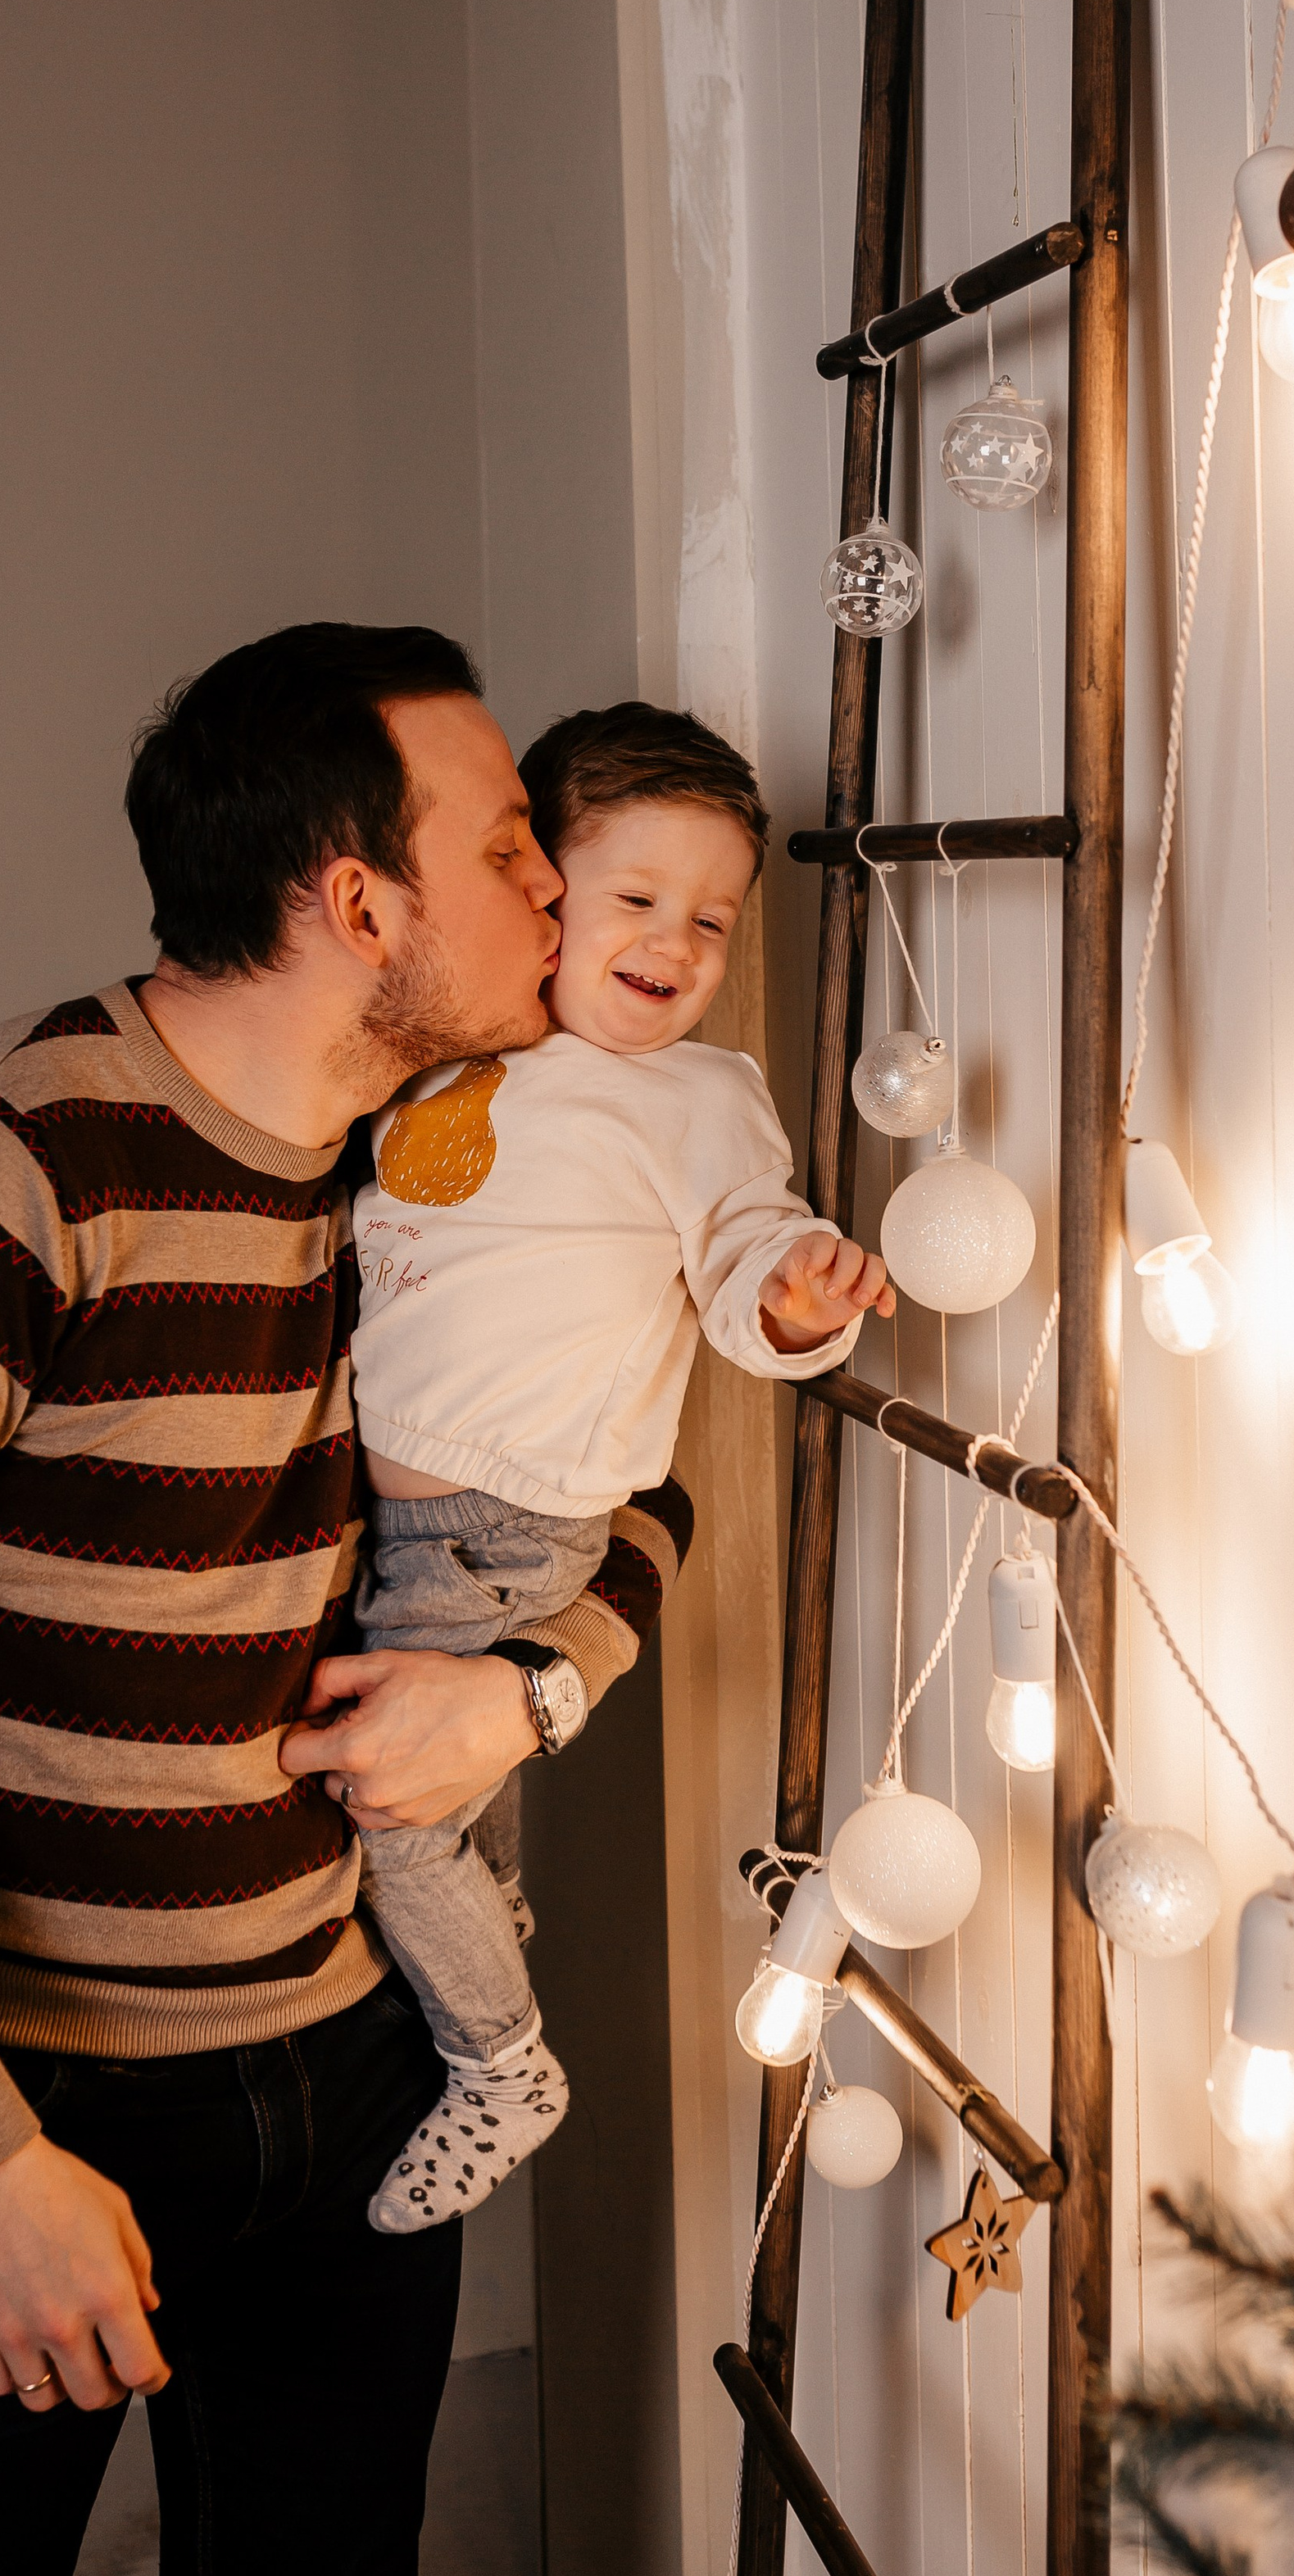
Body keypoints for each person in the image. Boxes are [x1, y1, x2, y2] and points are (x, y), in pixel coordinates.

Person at [0, 624, 688, 2576]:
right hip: (47, 2114)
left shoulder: (459, 1172)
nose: (561, 895)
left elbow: (648, 1484)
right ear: (357, 900)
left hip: (364, 2069)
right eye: (511, 848)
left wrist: (533, 1690)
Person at [342, 701, 891, 2232]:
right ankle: (491, 1912)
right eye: (637, 898)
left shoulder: (692, 1096)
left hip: (511, 1514)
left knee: (394, 1812)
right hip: (413, 1516)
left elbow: (745, 1238)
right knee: (438, 1802)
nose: (677, 942)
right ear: (543, 893)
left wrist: (793, 1292)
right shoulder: (465, 1050)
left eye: (710, 919)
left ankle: (502, 2059)